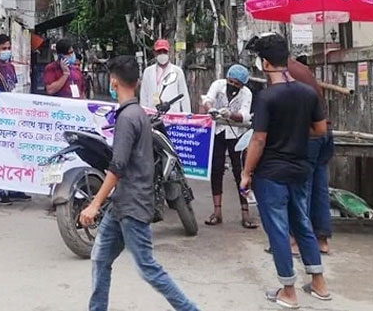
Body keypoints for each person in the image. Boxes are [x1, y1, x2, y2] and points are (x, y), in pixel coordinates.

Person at [79, 55, 198, 311]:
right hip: (121, 203)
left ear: (113, 81)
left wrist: (94, 204)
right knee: (100, 258)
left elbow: (117, 166)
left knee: (147, 268)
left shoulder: (128, 117)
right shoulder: (137, 113)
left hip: (133, 204)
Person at [240, 34, 331, 308]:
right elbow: (320, 130)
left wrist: (246, 173)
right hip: (300, 168)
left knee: (278, 229)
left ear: (265, 63)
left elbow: (258, 139)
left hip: (271, 172)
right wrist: (295, 133)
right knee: (301, 222)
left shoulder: (266, 97)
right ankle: (319, 283)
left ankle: (288, 291)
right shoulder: (307, 93)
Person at [199, 64, 256, 229]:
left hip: (236, 134)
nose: (233, 85)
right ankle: (217, 212)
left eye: (237, 84)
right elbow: (207, 99)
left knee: (240, 171)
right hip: (218, 131)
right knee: (216, 169)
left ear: (242, 85)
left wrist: (231, 115)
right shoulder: (218, 85)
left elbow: (244, 115)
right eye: (231, 81)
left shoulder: (246, 93)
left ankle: (245, 212)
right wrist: (211, 109)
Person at [0, 34, 31, 205]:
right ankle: (0, 191)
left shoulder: (11, 67)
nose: (7, 51)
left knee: (14, 152)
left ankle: (15, 188)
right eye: (3, 48)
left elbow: (13, 88)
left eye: (8, 48)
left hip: (12, 115)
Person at [140, 39, 191, 112]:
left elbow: (184, 95)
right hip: (152, 113)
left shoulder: (177, 71)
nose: (162, 54)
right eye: (159, 52)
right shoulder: (148, 72)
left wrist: (187, 114)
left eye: (164, 52)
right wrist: (143, 113)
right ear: (154, 53)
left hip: (172, 113)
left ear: (169, 52)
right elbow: (144, 95)